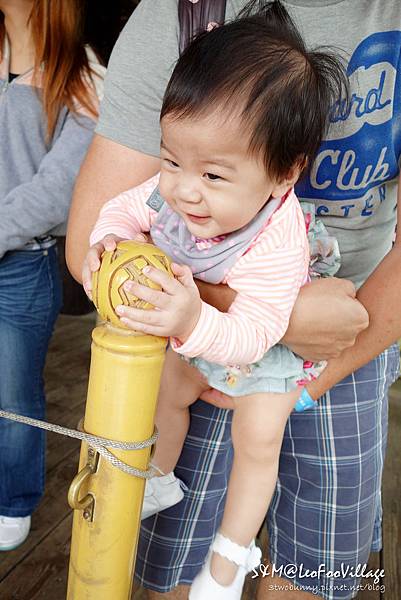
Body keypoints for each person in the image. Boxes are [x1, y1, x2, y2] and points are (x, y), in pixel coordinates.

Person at [66, 0, 401, 599]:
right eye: (171, 160)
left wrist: (195, 314)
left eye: (214, 175)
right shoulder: (179, 172)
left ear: (284, 174)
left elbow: (253, 336)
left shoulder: (277, 235)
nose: (183, 191)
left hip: (284, 340)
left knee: (260, 442)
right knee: (170, 408)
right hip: (220, 324)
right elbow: (119, 206)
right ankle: (160, 477)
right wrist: (109, 240)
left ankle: (230, 556)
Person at [0, 0, 108, 551]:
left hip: (23, 264)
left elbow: (55, 190)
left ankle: (13, 502)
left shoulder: (82, 74)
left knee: (14, 394)